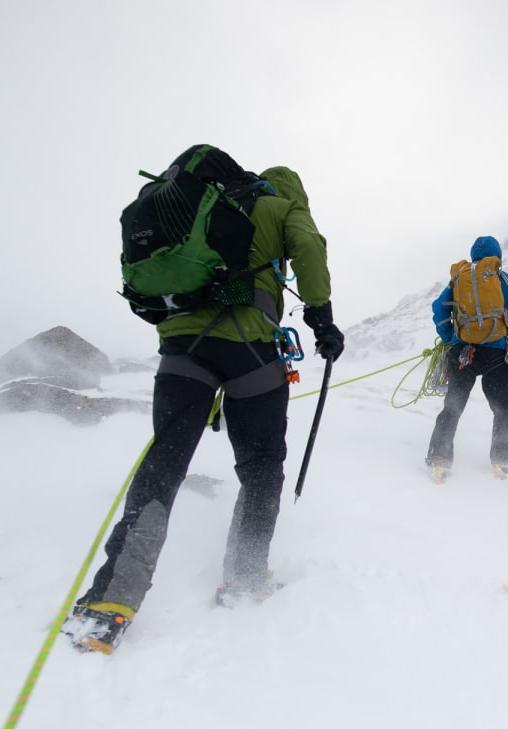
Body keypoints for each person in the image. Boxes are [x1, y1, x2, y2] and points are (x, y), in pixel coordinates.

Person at [62, 145, 344, 655]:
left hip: (180, 348)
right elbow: (309, 249)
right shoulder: (282, 207)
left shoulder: (215, 206)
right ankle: (243, 576)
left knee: (165, 461)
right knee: (261, 463)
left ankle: (110, 599)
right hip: (250, 354)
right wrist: (322, 320)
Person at [426, 235, 508, 479]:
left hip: (462, 353)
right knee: (504, 409)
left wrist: (451, 338)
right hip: (497, 355)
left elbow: (438, 309)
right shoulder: (506, 281)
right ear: (497, 257)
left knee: (453, 407)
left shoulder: (459, 280)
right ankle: (502, 456)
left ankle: (440, 455)